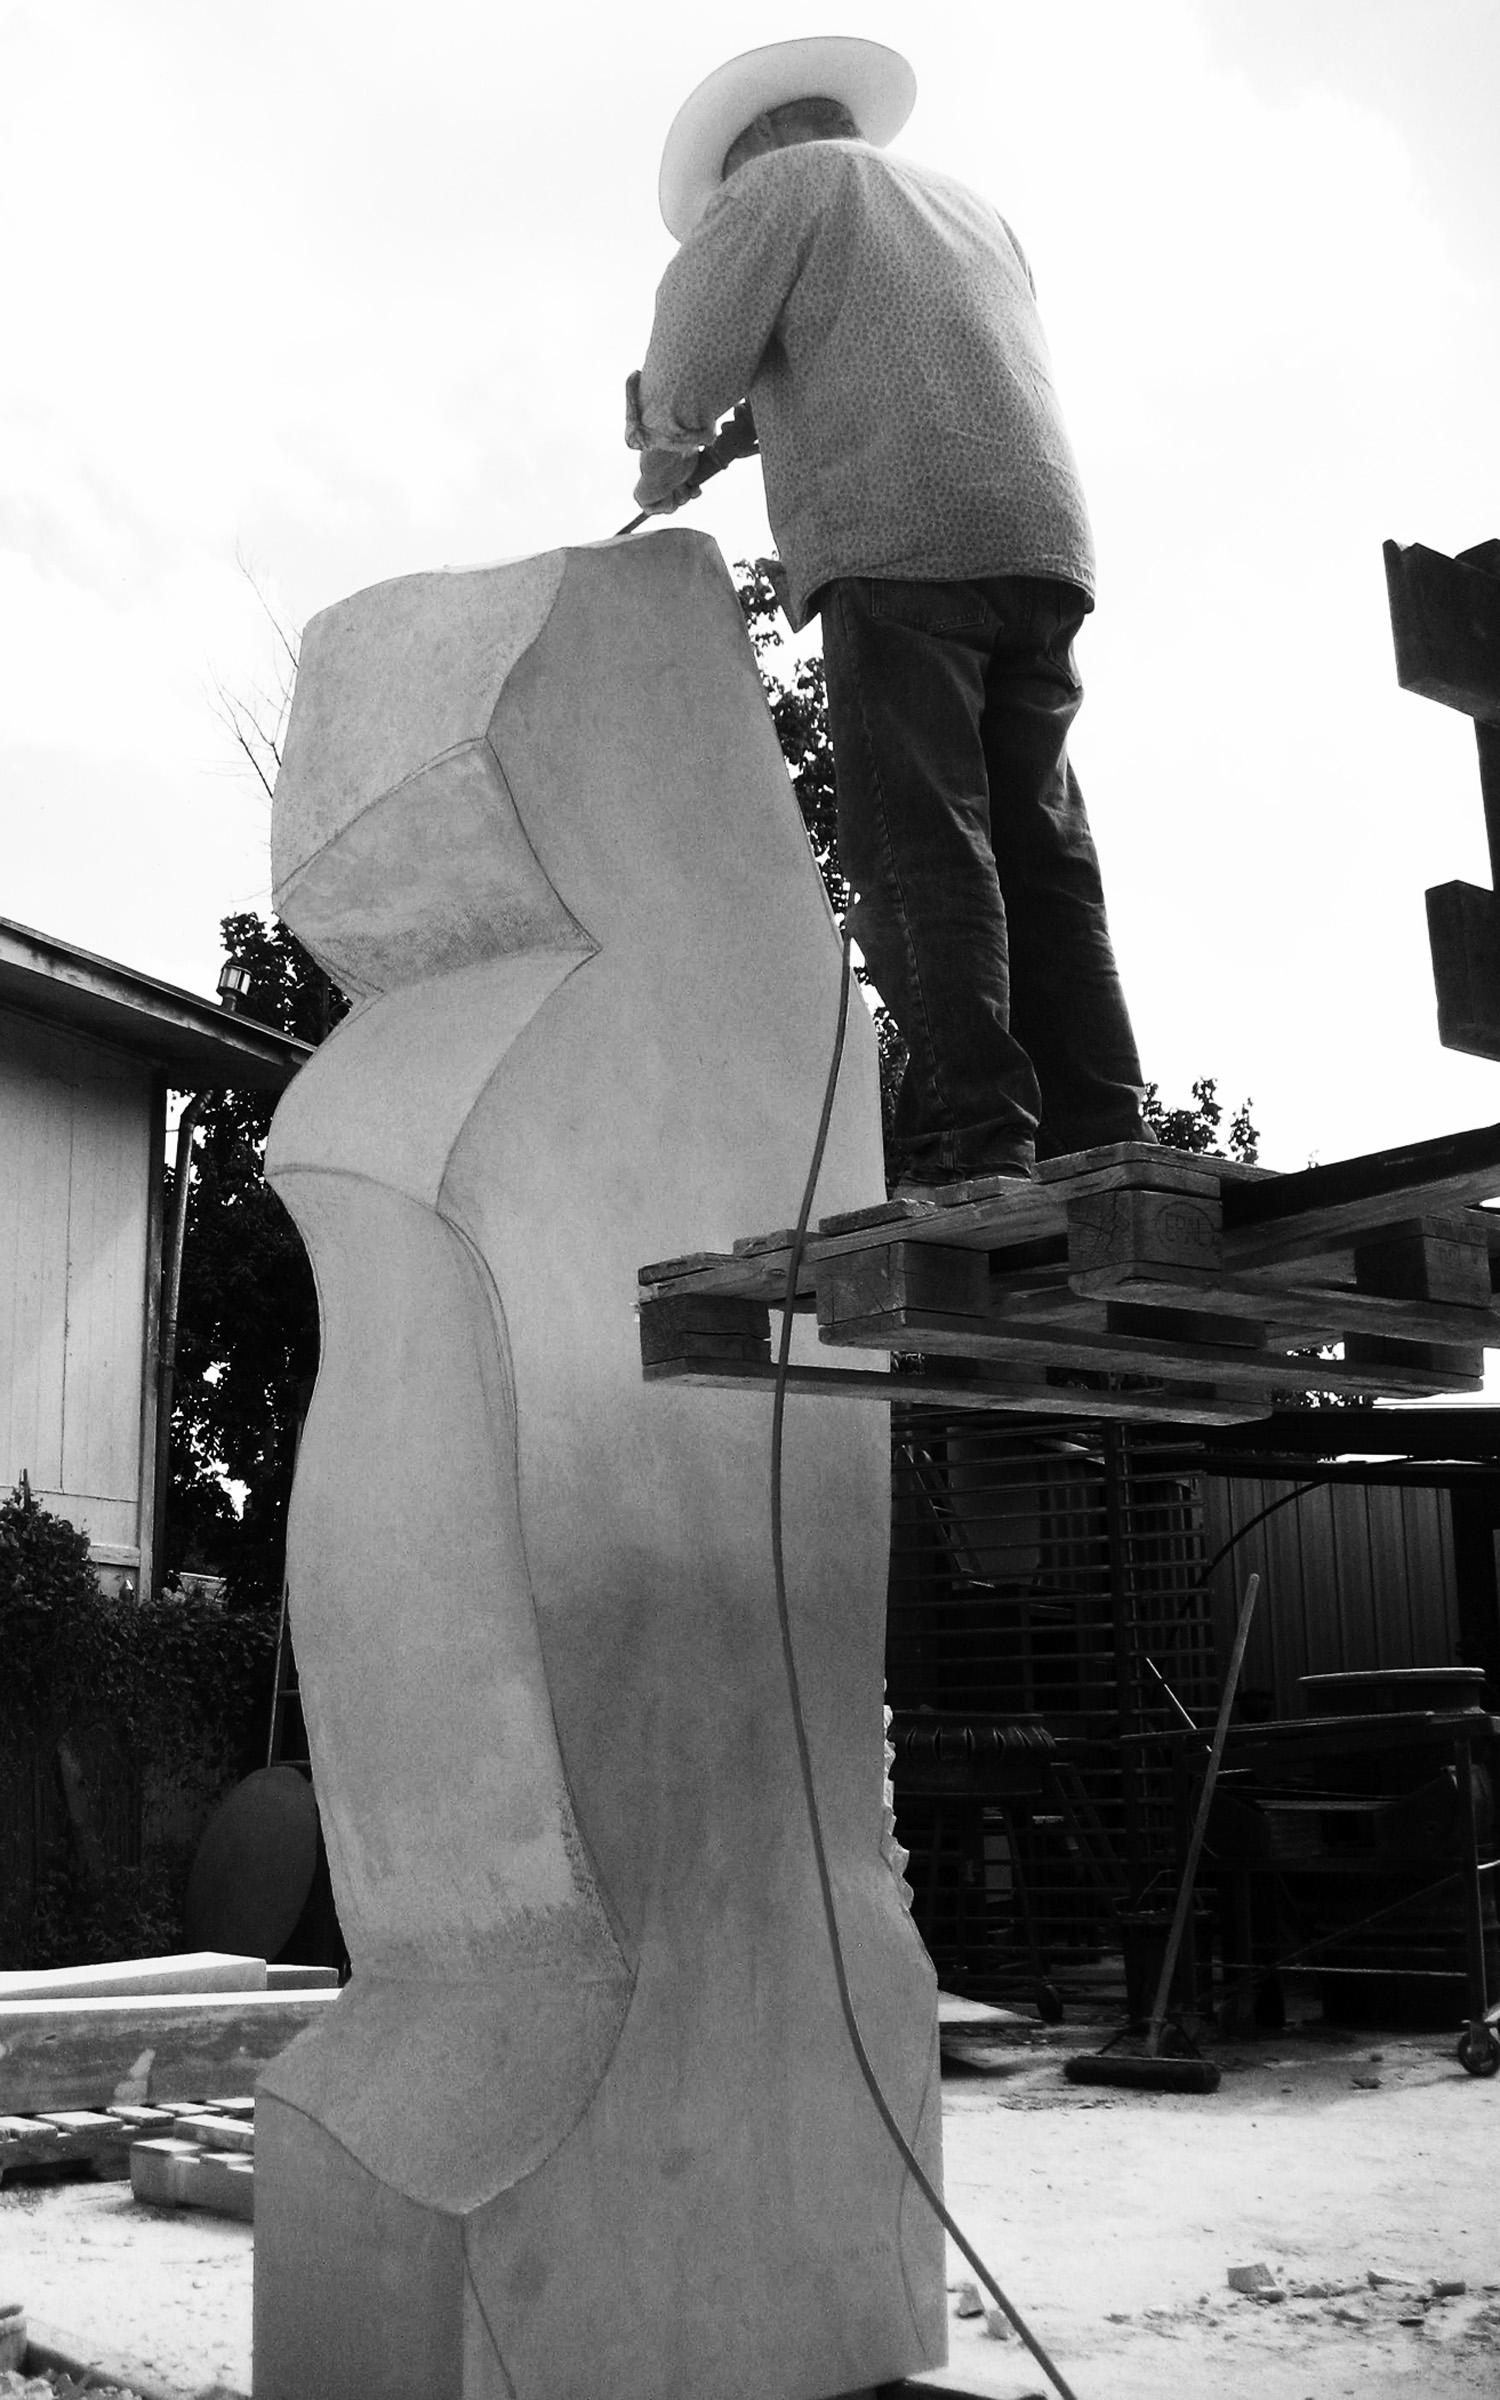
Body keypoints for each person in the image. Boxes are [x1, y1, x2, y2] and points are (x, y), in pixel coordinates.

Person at [627, 36, 1153, 1192]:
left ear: (753, 148)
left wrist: (665, 443)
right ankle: (1106, 1137)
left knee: (918, 841)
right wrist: (740, 435)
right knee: (1039, 843)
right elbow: (891, 348)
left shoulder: (781, 186)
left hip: (899, 537)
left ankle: (982, 1141)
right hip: (1037, 540)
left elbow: (687, 357)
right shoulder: (966, 208)